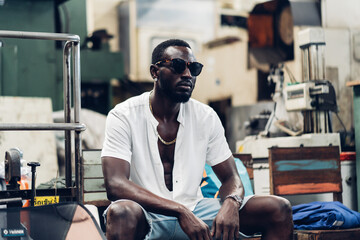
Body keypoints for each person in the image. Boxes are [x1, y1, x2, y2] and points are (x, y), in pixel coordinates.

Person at [101, 39, 293, 240]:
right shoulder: (123, 115)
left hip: (197, 211)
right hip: (147, 214)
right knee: (121, 212)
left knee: (278, 209)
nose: (187, 75)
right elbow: (115, 184)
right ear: (154, 72)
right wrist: (179, 210)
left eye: (194, 68)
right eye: (177, 66)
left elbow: (231, 178)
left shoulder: (205, 117)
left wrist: (231, 203)